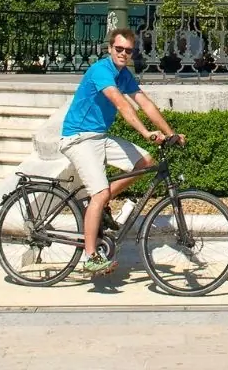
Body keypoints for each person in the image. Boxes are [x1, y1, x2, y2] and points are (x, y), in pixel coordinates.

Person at [60, 26, 181, 278]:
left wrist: (170, 133)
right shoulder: (101, 70)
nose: (123, 54)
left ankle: (98, 202)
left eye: (128, 51)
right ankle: (90, 257)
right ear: (109, 49)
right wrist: (146, 133)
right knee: (100, 192)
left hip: (99, 137)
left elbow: (144, 102)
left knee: (144, 161)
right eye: (119, 49)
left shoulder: (123, 74)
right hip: (78, 138)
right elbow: (122, 105)